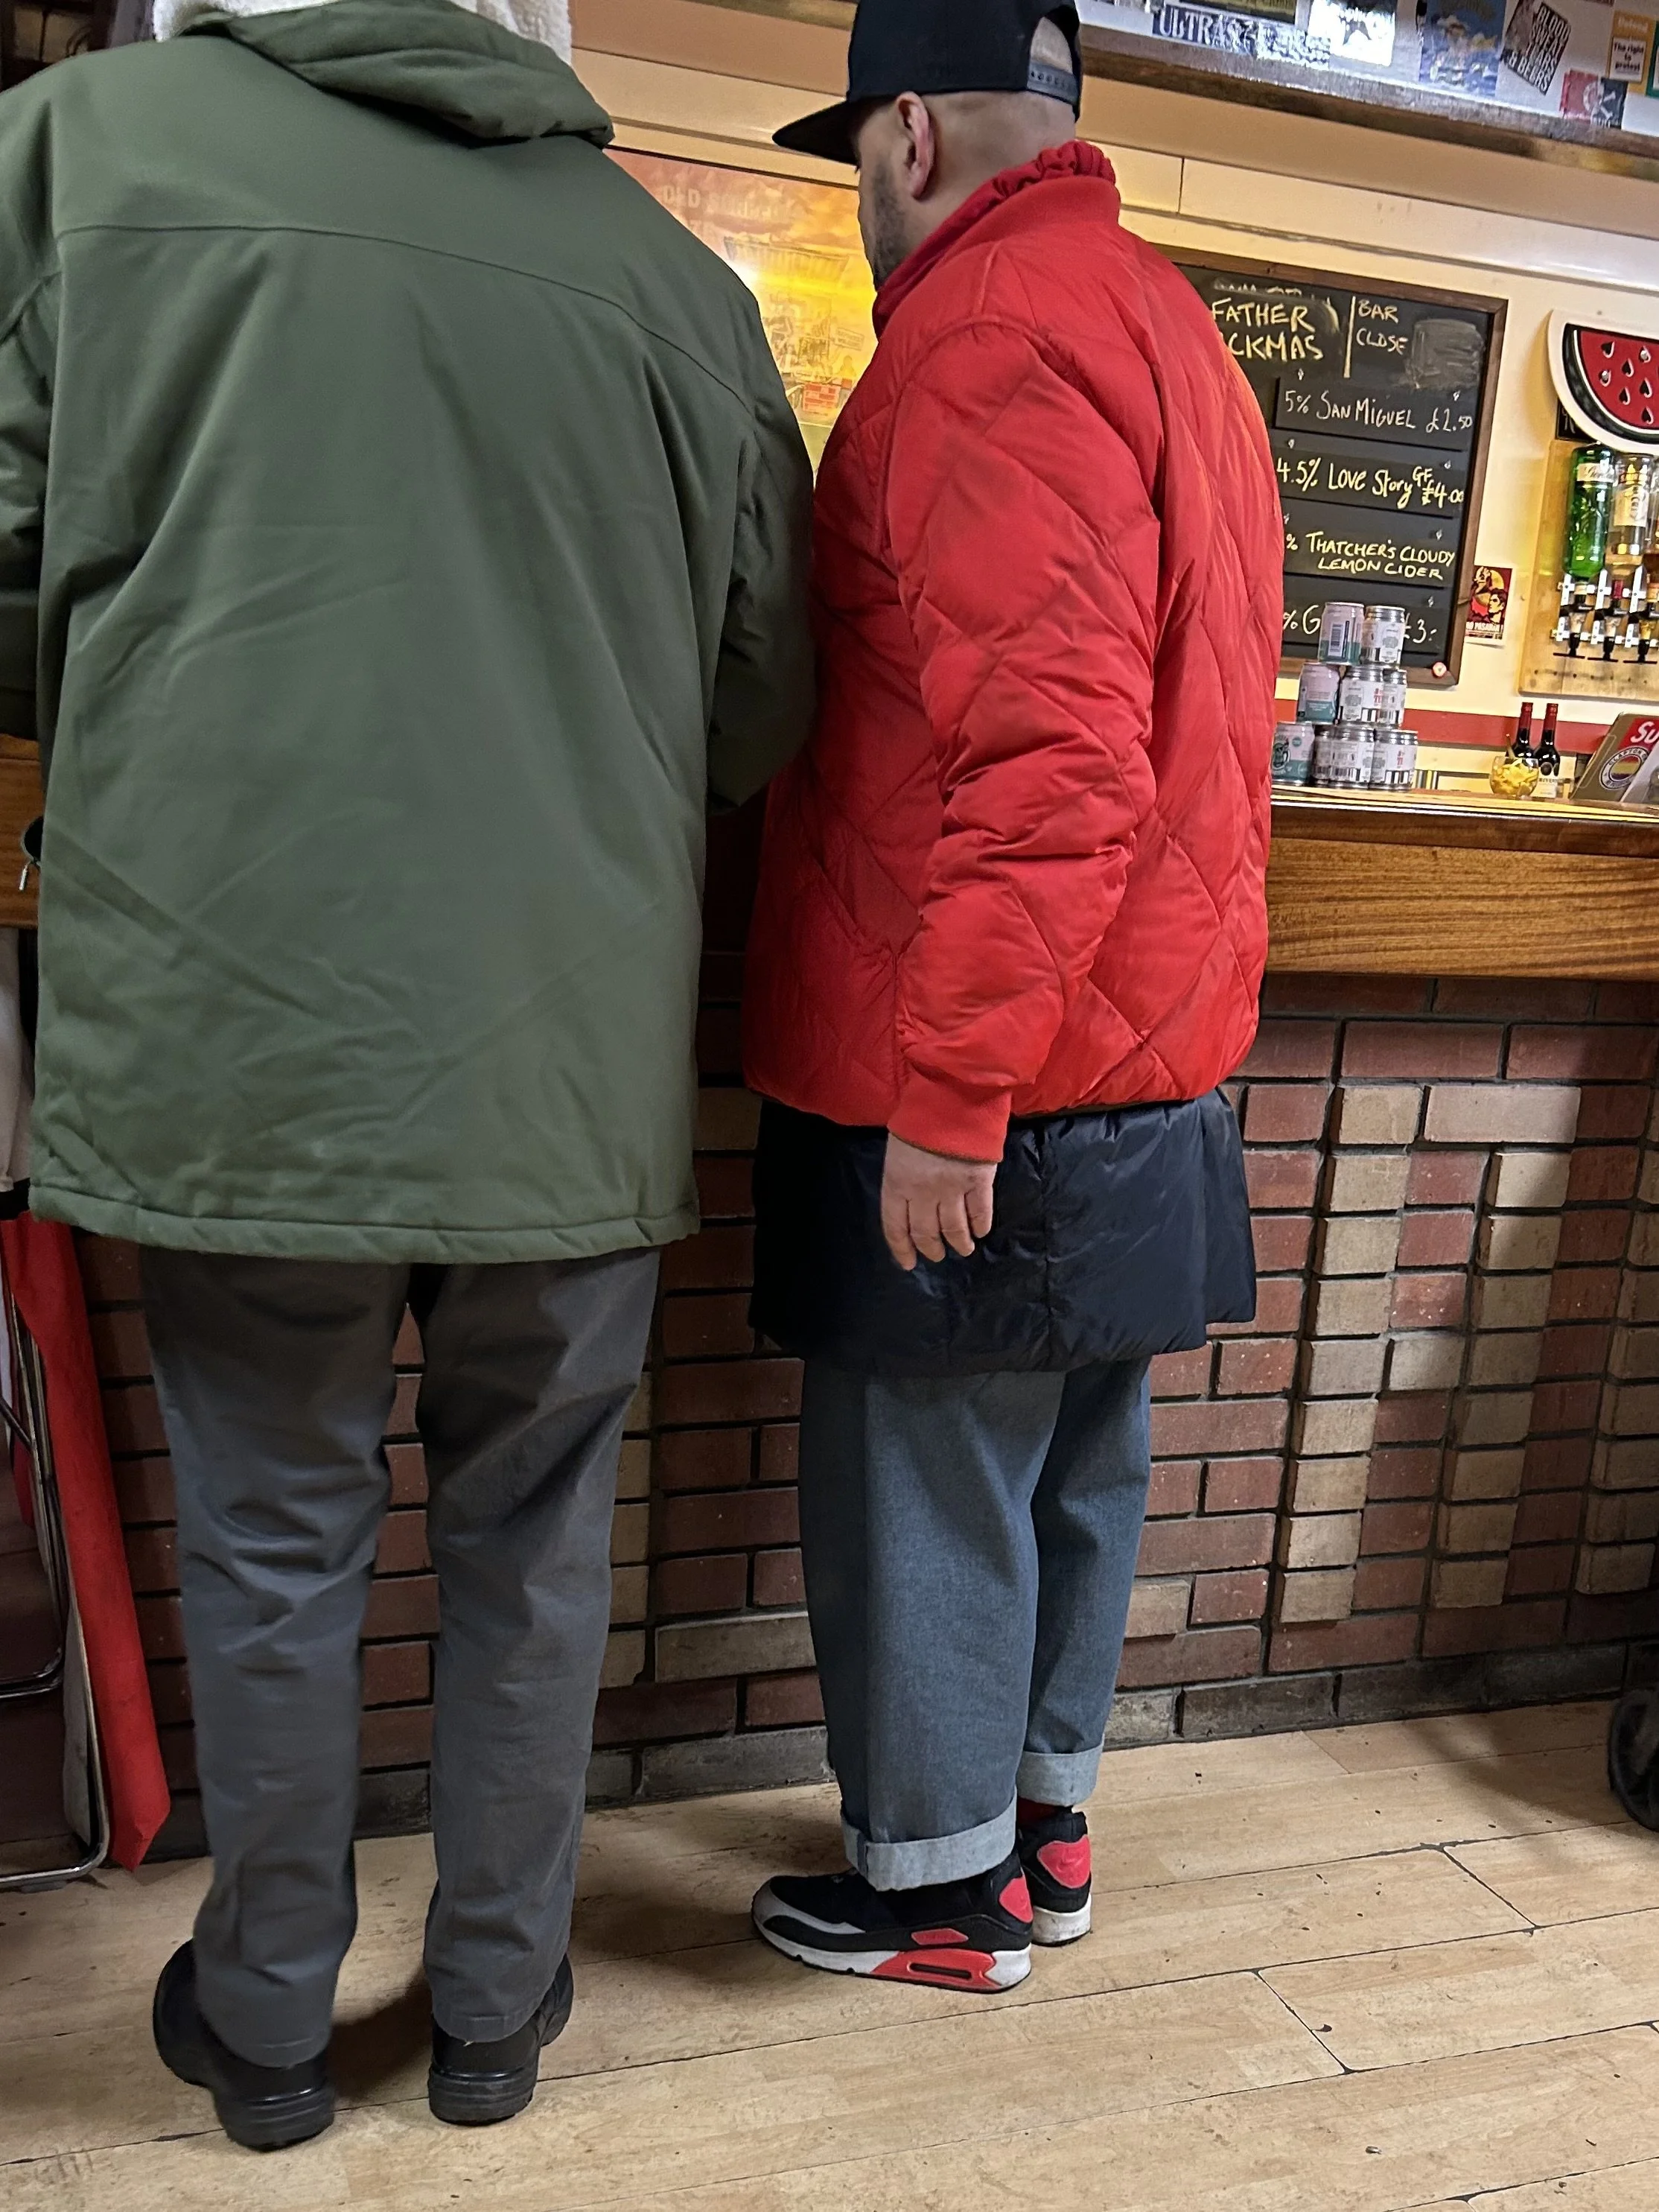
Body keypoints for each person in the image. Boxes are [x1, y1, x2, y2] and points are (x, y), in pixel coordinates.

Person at [0, 0, 812, 2149]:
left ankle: (265, 2029)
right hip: (566, 1051)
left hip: (241, 1019)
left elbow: (7, 595)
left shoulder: (80, 149)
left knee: (272, 1544)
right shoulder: (676, 282)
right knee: (536, 1548)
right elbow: (758, 699)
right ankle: (494, 2010)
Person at [745, 0, 1282, 1993]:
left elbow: (1050, 765)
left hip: (998, 1065)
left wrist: (946, 1093)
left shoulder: (979, 341)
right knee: (1071, 1480)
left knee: (922, 1497)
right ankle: (1034, 1842)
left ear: (901, 137)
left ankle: (942, 1900)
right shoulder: (1157, 314)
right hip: (1137, 1060)